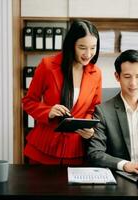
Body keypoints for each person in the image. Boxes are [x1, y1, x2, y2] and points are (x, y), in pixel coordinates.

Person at [22, 19, 102, 165]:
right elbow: (28, 102)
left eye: (93, 47)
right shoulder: (47, 66)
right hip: (44, 148)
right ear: (71, 45)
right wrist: (48, 111)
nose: (88, 53)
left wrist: (89, 128)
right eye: (82, 47)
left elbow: (94, 108)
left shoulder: (96, 73)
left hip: (76, 150)